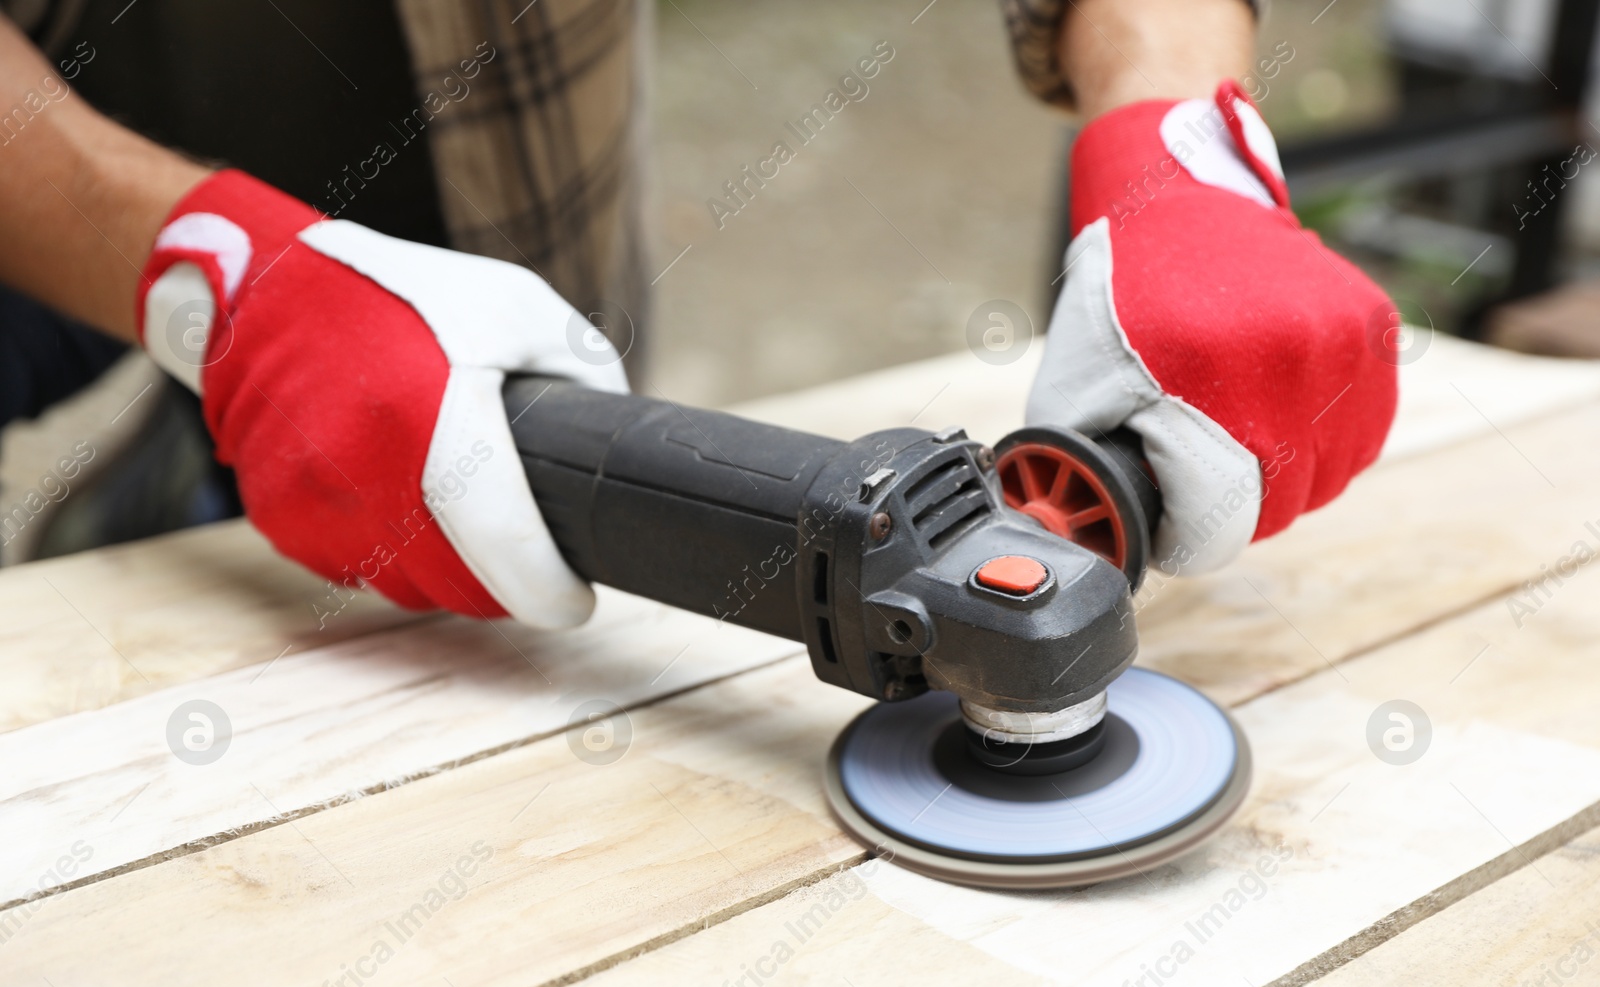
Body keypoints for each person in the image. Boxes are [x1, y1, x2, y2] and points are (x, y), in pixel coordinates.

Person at [0, 0, 1396, 629]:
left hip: (492, 211)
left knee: (397, 604)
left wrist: (1181, 142)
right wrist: (204, 271)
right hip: (47, 159)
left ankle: (182, 474)